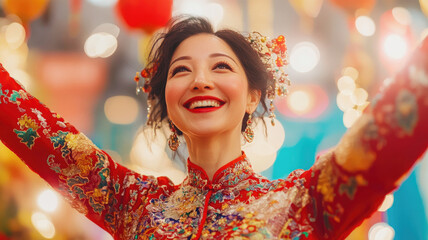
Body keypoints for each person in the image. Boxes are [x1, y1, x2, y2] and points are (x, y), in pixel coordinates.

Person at [0, 16, 427, 240]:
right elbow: (29, 126)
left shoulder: (305, 201)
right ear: (166, 97)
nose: (200, 81)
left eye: (220, 67)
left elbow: (397, 120)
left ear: (253, 94)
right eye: (181, 71)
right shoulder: (130, 204)